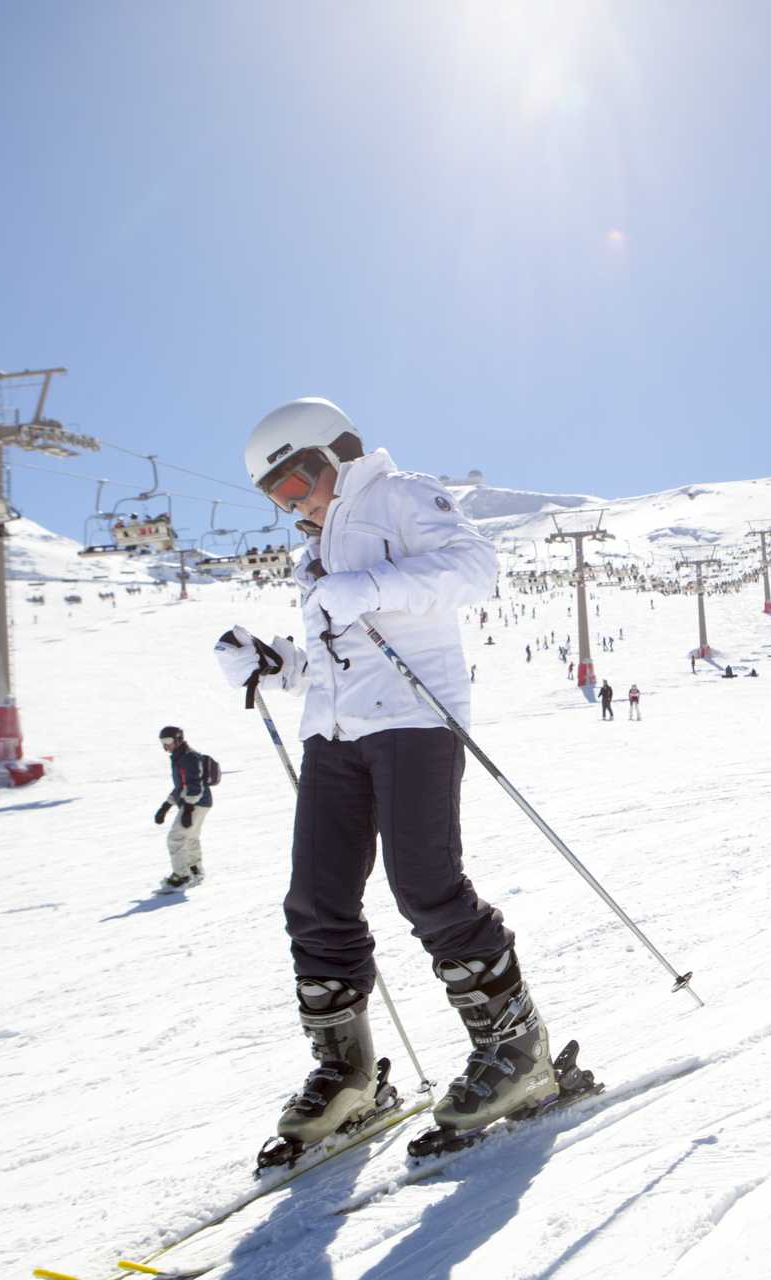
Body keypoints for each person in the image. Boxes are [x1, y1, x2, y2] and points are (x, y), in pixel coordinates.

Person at [214, 395, 556, 1157]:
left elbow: (474, 568)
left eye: (300, 479)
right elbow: (336, 656)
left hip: (413, 718)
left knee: (426, 887)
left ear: (336, 452)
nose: (295, 500)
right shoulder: (315, 551)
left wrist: (368, 587)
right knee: (316, 899)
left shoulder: (401, 496)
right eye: (278, 493)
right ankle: (347, 1073)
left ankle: (516, 1049)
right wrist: (276, 664)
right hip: (334, 733)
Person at [154, 726, 211, 892]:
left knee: (175, 839)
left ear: (178, 739)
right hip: (198, 802)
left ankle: (182, 877)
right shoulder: (179, 757)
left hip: (196, 803)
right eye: (163, 742)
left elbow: (196, 785)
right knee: (191, 837)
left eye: (168, 741)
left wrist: (188, 809)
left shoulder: (189, 757)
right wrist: (166, 806)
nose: (166, 745)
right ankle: (195, 870)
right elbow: (180, 787)